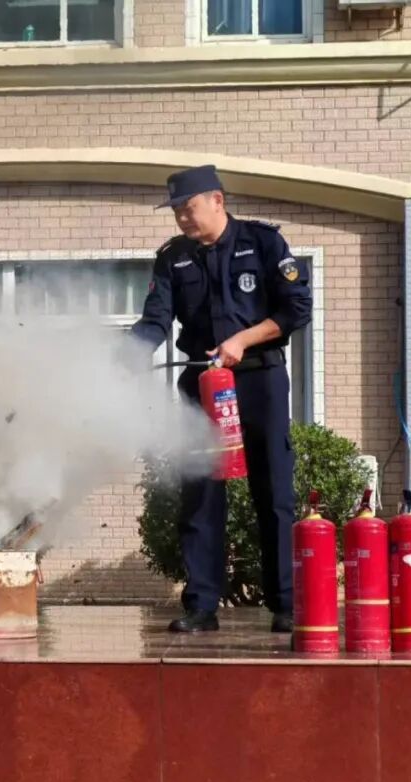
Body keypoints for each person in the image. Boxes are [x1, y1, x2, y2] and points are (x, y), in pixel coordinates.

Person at [132, 165, 312, 634]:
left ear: (217, 200)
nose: (182, 219)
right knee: (201, 493)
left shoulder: (263, 243)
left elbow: (296, 309)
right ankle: (201, 606)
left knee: (273, 492)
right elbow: (155, 320)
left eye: (188, 208)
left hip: (260, 380)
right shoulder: (173, 258)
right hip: (202, 385)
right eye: (176, 211)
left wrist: (243, 340)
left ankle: (285, 605)